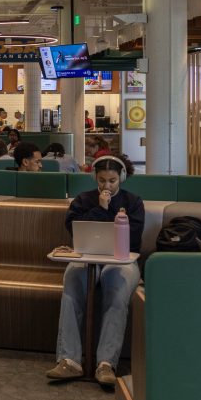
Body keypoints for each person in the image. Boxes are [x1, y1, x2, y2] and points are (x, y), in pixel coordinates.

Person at [48, 155, 144, 386]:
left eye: (112, 180)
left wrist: (109, 211)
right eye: (102, 180)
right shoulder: (83, 200)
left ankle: (106, 363)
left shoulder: (133, 202)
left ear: (121, 178)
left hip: (122, 260)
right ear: (95, 178)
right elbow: (74, 229)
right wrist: (100, 209)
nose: (107, 186)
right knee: (72, 282)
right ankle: (69, 360)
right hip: (87, 257)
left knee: (116, 291)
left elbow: (133, 238)